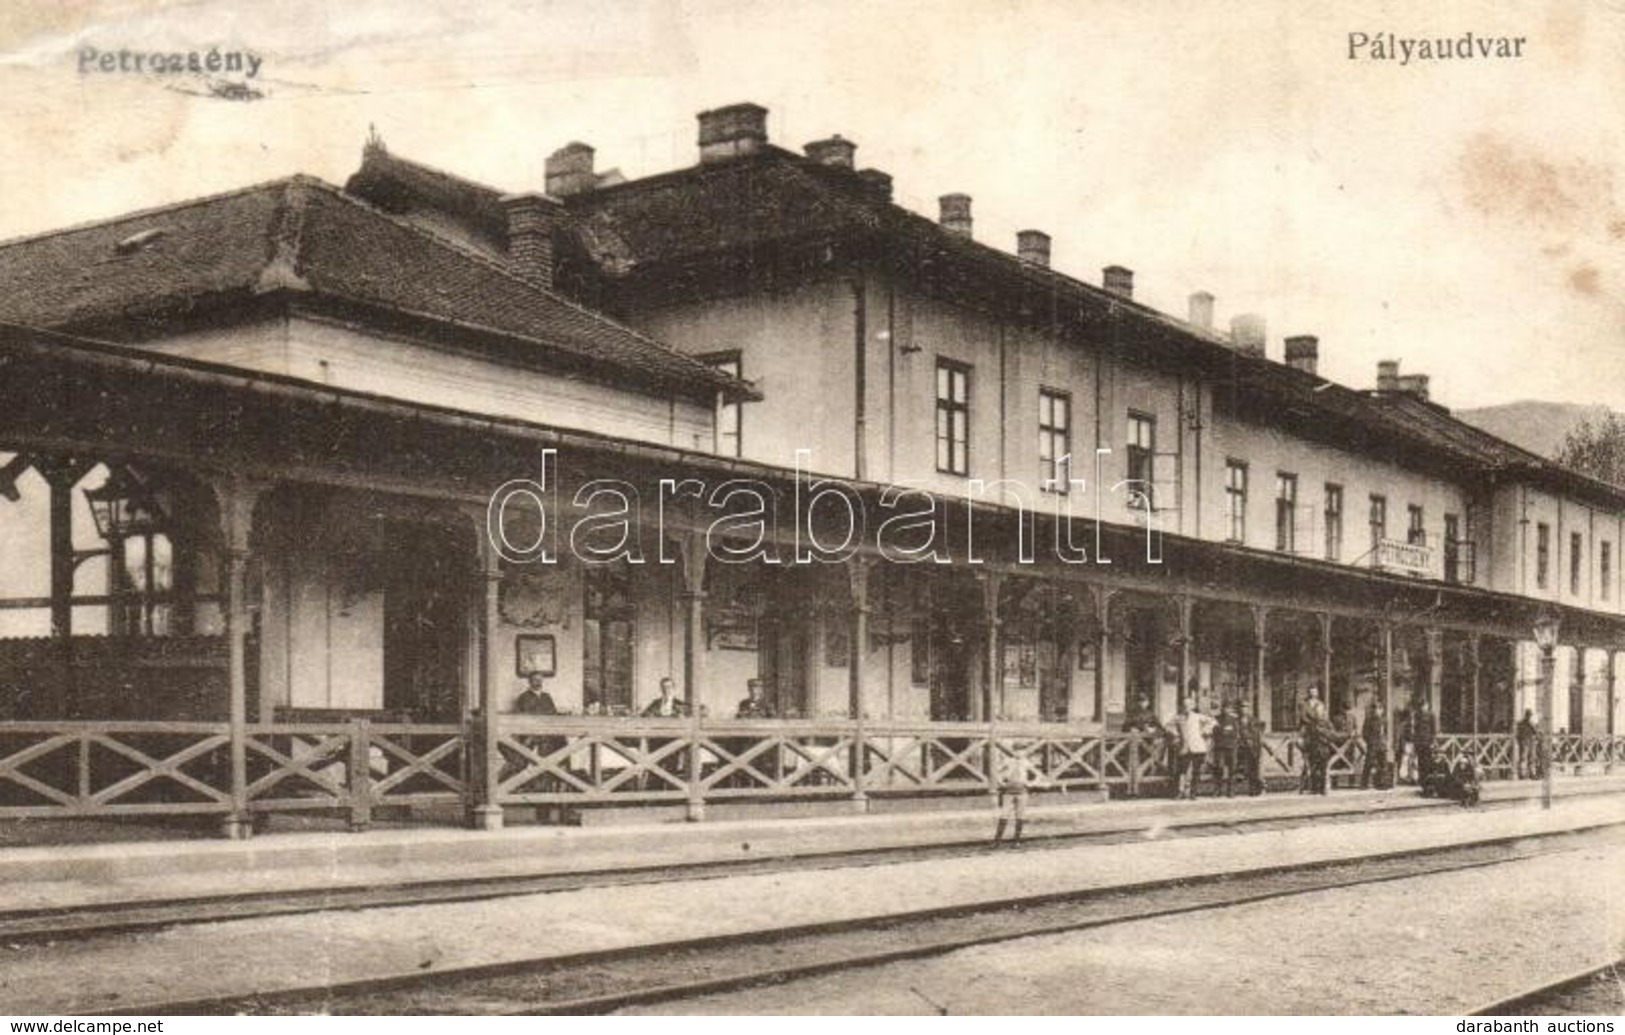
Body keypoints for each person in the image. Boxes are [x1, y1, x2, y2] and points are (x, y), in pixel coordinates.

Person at [1178, 701, 1216, 799]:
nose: (1186, 707)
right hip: (1185, 747)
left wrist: (1205, 731)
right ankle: (1181, 791)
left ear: (1192, 706)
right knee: (1182, 770)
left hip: (1198, 747)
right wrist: (1176, 735)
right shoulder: (1179, 717)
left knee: (1196, 771)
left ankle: (1193, 792)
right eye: (1185, 705)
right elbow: (1168, 726)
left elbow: (1213, 721)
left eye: (1189, 705)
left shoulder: (1197, 717)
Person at [1299, 687, 1330, 795]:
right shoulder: (1305, 704)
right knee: (1309, 761)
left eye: (1315, 691)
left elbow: (1324, 717)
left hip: (1319, 732)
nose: (1313, 693)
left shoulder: (1320, 704)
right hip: (1308, 729)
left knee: (1318, 764)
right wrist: (1312, 722)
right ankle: (1309, 786)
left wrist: (1319, 722)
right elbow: (1303, 717)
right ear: (1309, 692)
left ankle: (1319, 787)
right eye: (1311, 691)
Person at [1209, 701, 1241, 797]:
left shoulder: (1234, 720)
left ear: (1231, 710)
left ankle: (1231, 791)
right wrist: (1222, 732)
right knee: (1219, 768)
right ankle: (1217, 790)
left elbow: (1237, 734)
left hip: (1231, 747)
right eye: (1225, 708)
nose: (1226, 710)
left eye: (1229, 708)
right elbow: (1213, 731)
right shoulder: (1216, 719)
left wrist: (1229, 734)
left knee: (1232, 769)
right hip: (1220, 747)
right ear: (1222, 709)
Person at [1359, 699, 1390, 790]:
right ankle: (1364, 784)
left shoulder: (1384, 720)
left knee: (1383, 764)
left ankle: (1382, 783)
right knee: (1368, 764)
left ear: (1382, 710)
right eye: (1376, 709)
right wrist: (1370, 742)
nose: (1377, 711)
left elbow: (1386, 733)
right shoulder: (1369, 720)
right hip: (1372, 745)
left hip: (1382, 745)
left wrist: (1385, 742)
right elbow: (1364, 733)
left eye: (1379, 709)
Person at [1236, 700, 1264, 796]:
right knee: (1242, 768)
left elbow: (1257, 734)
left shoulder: (1254, 720)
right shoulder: (1237, 720)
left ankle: (1255, 789)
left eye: (1246, 707)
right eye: (1242, 707)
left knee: (1254, 769)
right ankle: (1232, 789)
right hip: (1241, 748)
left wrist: (1256, 745)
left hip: (1252, 747)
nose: (1244, 709)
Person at [1413, 697, 1439, 785]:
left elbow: (1434, 730)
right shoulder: (1417, 715)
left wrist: (1432, 741)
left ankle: (1428, 781)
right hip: (1420, 742)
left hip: (1427, 742)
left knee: (1428, 762)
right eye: (1422, 706)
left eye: (1425, 706)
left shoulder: (1431, 715)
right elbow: (1415, 729)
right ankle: (1421, 779)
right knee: (1420, 762)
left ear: (1428, 706)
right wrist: (1415, 742)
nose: (1423, 707)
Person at [1515, 709, 1538, 779]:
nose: (1529, 717)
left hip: (1530, 742)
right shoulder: (1521, 723)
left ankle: (1531, 773)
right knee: (1524, 758)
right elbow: (1518, 734)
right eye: (1529, 715)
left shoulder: (1530, 723)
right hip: (1525, 742)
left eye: (1530, 715)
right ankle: (1522, 774)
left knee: (1531, 758)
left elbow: (1535, 732)